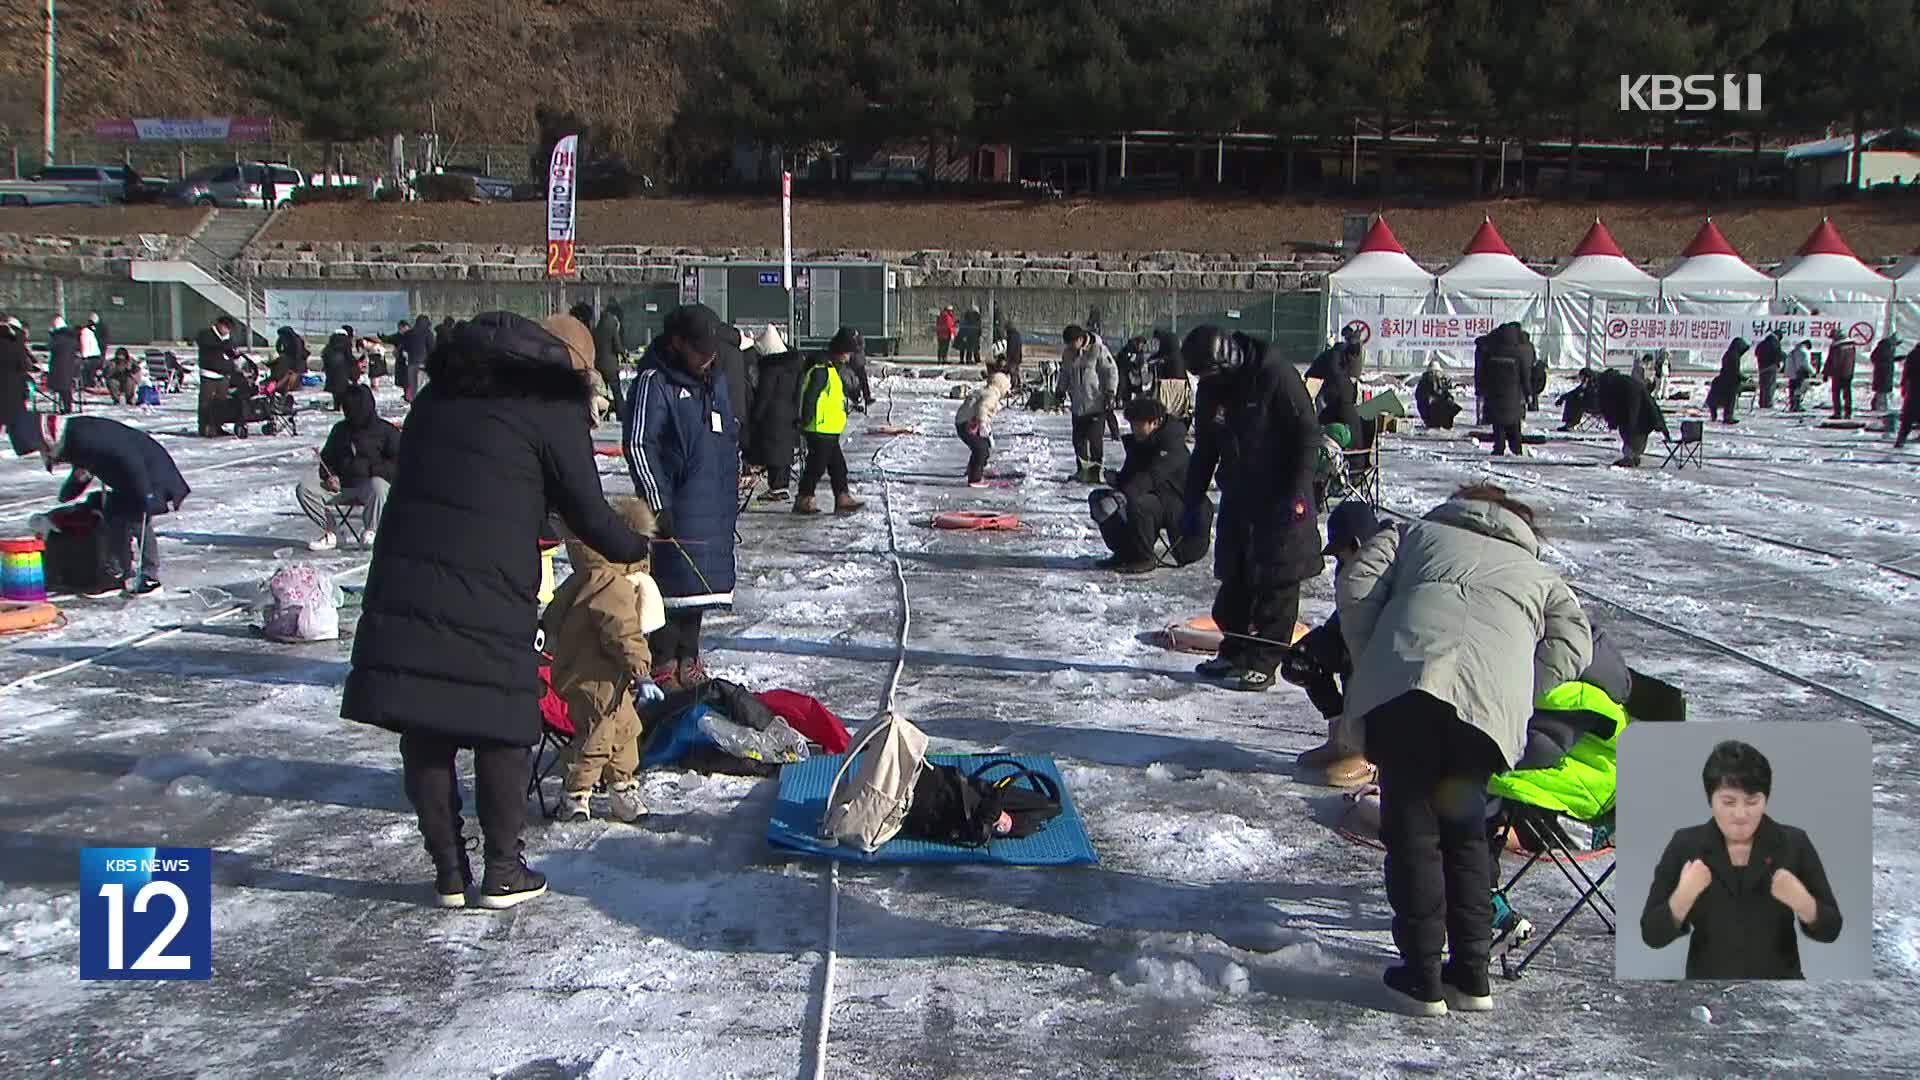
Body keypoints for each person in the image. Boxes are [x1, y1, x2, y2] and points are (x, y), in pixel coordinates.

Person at [343, 312, 653, 911]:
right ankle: (503, 869)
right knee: (502, 722)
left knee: (425, 719)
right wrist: (633, 546)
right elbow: (587, 507)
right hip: (489, 580)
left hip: (409, 572)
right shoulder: (548, 402)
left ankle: (449, 873)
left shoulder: (438, 393)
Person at [1337, 483, 1593, 1014]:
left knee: (1413, 833)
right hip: (1484, 720)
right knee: (1466, 835)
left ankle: (1421, 976)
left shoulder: (1412, 534)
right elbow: (1575, 644)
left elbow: (1358, 582)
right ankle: (1472, 975)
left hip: (1407, 696)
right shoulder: (1541, 576)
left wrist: (1376, 659)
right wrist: (1516, 690)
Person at [1180, 325, 1323, 692]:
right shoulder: (1213, 387)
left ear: (1228, 359)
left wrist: (1297, 494)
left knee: (1277, 582)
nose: (1208, 383)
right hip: (1239, 493)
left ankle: (1263, 662)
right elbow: (1206, 447)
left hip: (1281, 495)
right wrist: (1192, 497)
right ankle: (1235, 651)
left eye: (1211, 374)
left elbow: (1307, 435)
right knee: (1235, 578)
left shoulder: (1275, 375)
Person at [1640, 740, 1842, 979]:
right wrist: (1683, 896)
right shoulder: (1686, 845)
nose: (1740, 814)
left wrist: (1803, 902)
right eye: (1728, 802)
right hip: (1707, 985)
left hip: (1780, 986)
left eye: (1752, 802)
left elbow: (1831, 929)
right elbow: (1651, 935)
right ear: (1710, 800)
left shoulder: (1793, 843)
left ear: (1765, 800)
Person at [626, 303, 743, 692]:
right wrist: (658, 502)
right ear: (677, 343)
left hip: (712, 504)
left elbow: (726, 436)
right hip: (676, 505)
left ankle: (689, 658)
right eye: (700, 350)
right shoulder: (655, 382)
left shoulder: (715, 381)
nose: (709, 357)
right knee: (669, 589)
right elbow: (640, 443)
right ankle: (663, 661)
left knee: (698, 589)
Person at [543, 495, 664, 823]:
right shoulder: (609, 582)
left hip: (611, 677)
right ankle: (576, 793)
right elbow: (622, 631)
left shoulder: (602, 575)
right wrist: (643, 672)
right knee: (599, 734)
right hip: (591, 675)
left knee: (626, 728)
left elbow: (554, 613)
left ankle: (622, 786)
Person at [1284, 501, 1387, 788]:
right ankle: (1339, 737)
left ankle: (1369, 752)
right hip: (1348, 620)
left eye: (1340, 550)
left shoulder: (1391, 564)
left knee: (1360, 672)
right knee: (1301, 660)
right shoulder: (1351, 563)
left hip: (1383, 637)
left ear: (1356, 543)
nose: (1338, 559)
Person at [35, 414, 190, 597]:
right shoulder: (76, 438)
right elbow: (84, 471)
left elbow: (128, 457)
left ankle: (150, 577)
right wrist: (66, 494)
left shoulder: (83, 437)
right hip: (132, 478)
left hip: (149, 474)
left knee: (137, 519)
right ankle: (119, 575)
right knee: (112, 513)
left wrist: (145, 492)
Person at [1090, 397, 1209, 574]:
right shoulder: (1140, 442)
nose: (1134, 430)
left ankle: (1144, 557)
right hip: (1153, 498)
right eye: (1132, 425)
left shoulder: (1172, 443)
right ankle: (1124, 553)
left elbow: (1152, 476)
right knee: (1099, 499)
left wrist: (1122, 495)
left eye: (1138, 425)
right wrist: (1118, 480)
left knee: (1139, 503)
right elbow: (1133, 476)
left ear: (1155, 422)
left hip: (1179, 502)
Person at [297, 384, 399, 551]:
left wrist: (372, 471)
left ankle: (372, 531)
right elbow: (326, 460)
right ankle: (333, 532)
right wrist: (330, 476)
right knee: (305, 488)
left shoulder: (386, 431)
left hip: (370, 488)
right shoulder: (340, 430)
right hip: (341, 487)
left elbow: (399, 463)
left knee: (378, 485)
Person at [793, 329, 867, 516]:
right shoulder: (821, 370)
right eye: (847, 352)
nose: (849, 357)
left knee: (837, 466)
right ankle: (805, 497)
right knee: (816, 466)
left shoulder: (831, 368)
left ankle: (841, 496)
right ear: (840, 350)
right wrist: (805, 419)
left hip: (828, 428)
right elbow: (810, 397)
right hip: (819, 427)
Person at [746, 325, 803, 503]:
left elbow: (765, 394)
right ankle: (782, 485)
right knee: (784, 451)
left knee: (774, 452)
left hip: (772, 415)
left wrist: (756, 415)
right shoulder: (794, 366)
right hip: (789, 412)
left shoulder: (771, 369)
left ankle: (776, 487)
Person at [1058, 324, 1120, 484]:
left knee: (1095, 441)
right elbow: (1065, 373)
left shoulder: (1097, 350)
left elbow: (1111, 371)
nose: (1070, 347)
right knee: (1078, 440)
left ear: (1080, 339)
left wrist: (1110, 392)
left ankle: (1096, 471)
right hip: (1078, 405)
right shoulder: (1068, 354)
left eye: (1072, 343)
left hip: (1096, 404)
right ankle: (1082, 470)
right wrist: (1060, 389)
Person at [1586, 368, 1668, 467]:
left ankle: (1630, 457)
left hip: (1631, 409)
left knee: (1631, 430)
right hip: (1643, 408)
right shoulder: (1617, 381)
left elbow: (1608, 404)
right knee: (1639, 429)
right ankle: (1633, 456)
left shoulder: (1606, 385)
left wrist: (1611, 421)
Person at [1480, 324, 1531, 456]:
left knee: (1498, 423)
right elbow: (1524, 375)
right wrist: (1528, 392)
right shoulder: (1518, 353)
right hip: (1513, 394)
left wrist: (1482, 389)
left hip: (1495, 394)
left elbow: (1483, 373)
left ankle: (1499, 446)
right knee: (1514, 423)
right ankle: (1516, 448)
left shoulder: (1491, 352)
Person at [955, 371, 1012, 488]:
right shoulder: (992, 394)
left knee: (983, 446)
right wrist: (982, 423)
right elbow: (983, 407)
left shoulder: (986, 391)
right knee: (980, 449)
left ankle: (976, 468)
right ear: (1001, 386)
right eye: (1007, 389)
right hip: (968, 424)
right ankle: (975, 478)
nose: (1008, 392)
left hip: (965, 422)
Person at [195, 315, 249, 437]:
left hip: (224, 375)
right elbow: (211, 346)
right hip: (209, 374)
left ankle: (217, 426)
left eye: (229, 329)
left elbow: (229, 351)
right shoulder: (206, 335)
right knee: (206, 402)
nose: (227, 331)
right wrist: (224, 344)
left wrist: (235, 354)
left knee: (221, 403)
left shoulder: (227, 338)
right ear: (219, 324)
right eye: (226, 327)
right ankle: (204, 427)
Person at [2, 316, 33, 455]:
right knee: (15, 417)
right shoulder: (16, 343)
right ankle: (22, 446)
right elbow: (24, 365)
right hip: (13, 385)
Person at [1148, 330, 1191, 422]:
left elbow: (1161, 354)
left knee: (1165, 401)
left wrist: (1153, 360)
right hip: (1181, 380)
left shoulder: (1166, 345)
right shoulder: (1179, 355)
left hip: (1168, 380)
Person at [1703, 337, 1746, 424]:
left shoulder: (1728, 354)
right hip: (1729, 382)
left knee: (1715, 400)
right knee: (1730, 400)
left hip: (1722, 380)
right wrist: (1743, 378)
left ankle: (1714, 415)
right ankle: (1728, 416)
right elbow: (1734, 371)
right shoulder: (1734, 356)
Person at [593, 301, 625, 416]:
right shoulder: (612, 325)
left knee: (604, 391)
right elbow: (617, 345)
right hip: (610, 365)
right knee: (617, 391)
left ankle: (605, 413)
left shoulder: (598, 326)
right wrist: (623, 352)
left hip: (599, 364)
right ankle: (621, 413)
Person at [47, 316, 80, 415]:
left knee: (62, 388)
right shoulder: (71, 337)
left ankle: (65, 407)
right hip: (69, 364)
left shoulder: (58, 337)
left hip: (59, 365)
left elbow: (51, 346)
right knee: (65, 388)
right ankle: (67, 406)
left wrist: (51, 335)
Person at [1413, 361, 1460, 430]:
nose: (1435, 374)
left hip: (1434, 408)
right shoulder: (1425, 382)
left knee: (1449, 404)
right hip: (1428, 410)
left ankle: (1444, 423)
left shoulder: (1440, 381)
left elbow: (1445, 394)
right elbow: (1424, 398)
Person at [321, 326, 358, 410]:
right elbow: (348, 356)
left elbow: (324, 353)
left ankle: (336, 406)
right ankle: (344, 405)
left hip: (331, 367)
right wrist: (354, 363)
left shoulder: (332, 341)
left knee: (335, 388)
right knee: (342, 387)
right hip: (342, 366)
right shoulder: (346, 341)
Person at [1824, 329, 1856, 420]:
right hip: (1848, 373)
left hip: (1837, 374)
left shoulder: (1836, 347)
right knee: (1847, 393)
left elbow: (1831, 361)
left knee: (1836, 394)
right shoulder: (1851, 345)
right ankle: (1848, 412)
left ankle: (1837, 413)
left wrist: (1826, 373)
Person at [1895, 340, 1920, 448]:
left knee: (1908, 416)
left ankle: (1901, 438)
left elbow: (1906, 373)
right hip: (1914, 387)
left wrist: (1904, 386)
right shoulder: (1913, 355)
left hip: (1914, 389)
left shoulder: (1913, 354)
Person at [1869, 333, 1900, 413]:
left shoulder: (1886, 347)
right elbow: (1882, 358)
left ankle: (1878, 406)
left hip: (1885, 371)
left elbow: (1887, 358)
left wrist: (1896, 358)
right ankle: (1880, 406)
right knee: (1882, 390)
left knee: (1881, 391)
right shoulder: (1885, 347)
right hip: (1883, 372)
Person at [1754, 332, 1783, 409]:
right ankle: (1768, 403)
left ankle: (1762, 402)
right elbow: (1778, 354)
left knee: (1763, 385)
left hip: (1762, 367)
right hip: (1771, 367)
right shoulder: (1775, 343)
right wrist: (1777, 363)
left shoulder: (1762, 343)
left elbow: (1756, 352)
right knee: (1770, 385)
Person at [1786, 339, 1815, 412]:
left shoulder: (1793, 351)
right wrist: (1813, 371)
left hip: (1792, 374)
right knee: (1798, 390)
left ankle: (1792, 405)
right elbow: (1805, 364)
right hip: (1799, 374)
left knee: (1792, 390)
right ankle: (1797, 406)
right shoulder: (1804, 352)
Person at [1002, 319, 1025, 390]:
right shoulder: (1017, 334)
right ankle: (1018, 384)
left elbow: (1011, 347)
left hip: (1013, 357)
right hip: (1017, 356)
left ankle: (1014, 385)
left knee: (1013, 372)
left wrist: (1008, 357)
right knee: (1016, 371)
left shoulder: (1011, 336)